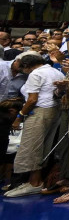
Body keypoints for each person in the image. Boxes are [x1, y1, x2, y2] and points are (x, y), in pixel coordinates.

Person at [4, 55, 64, 198]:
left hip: (39, 111)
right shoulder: (56, 71)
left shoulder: (36, 74)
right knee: (42, 146)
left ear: (26, 66)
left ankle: (35, 183)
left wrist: (19, 116)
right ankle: (33, 181)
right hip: (53, 111)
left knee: (31, 146)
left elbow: (32, 99)